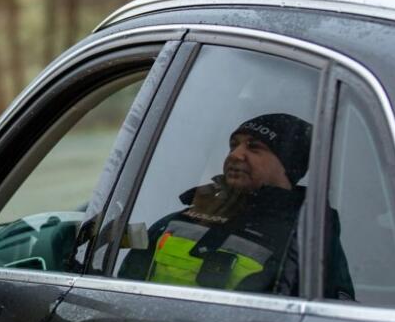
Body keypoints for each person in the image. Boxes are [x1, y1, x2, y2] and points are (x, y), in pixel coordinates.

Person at [119, 113, 354, 300]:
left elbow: (325, 316)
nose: (236, 155)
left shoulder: (310, 235)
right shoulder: (184, 217)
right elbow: (123, 289)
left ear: (287, 165)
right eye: (234, 145)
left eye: (254, 147)